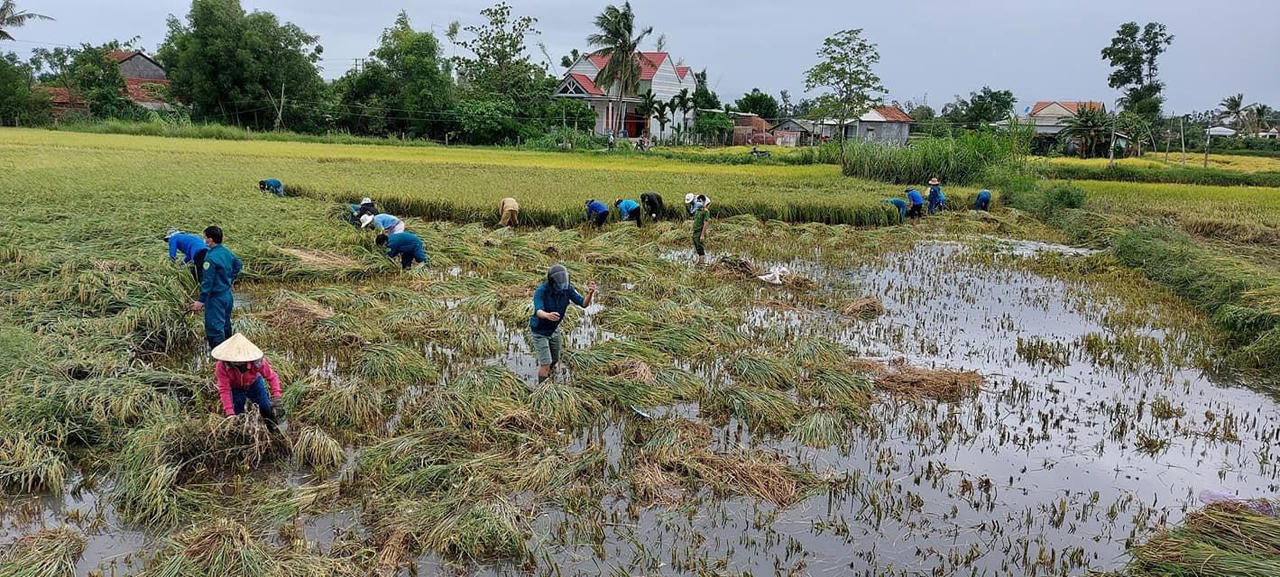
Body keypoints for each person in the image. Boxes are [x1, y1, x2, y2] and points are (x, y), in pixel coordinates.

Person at [530, 264, 597, 384]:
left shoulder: (566, 289)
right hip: (540, 332)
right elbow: (538, 311)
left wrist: (590, 294)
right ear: (552, 282)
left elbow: (583, 304)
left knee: (554, 359)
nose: (561, 287)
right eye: (558, 284)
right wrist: (547, 315)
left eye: (563, 283)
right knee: (546, 363)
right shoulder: (541, 291)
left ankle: (550, 379)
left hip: (554, 330)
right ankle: (542, 391)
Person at [211, 333, 282, 428]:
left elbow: (272, 377)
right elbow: (224, 389)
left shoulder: (257, 362)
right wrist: (229, 412)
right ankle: (242, 432)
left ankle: (273, 429)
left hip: (254, 384)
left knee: (265, 407)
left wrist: (277, 396)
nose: (238, 361)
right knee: (238, 414)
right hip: (235, 388)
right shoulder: (222, 366)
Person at [189, 226, 242, 349]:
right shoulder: (226, 251)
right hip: (227, 295)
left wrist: (200, 301)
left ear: (210, 240)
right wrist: (229, 278)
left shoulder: (210, 257)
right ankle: (230, 354)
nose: (204, 239)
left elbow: (207, 281)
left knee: (214, 328)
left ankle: (220, 359)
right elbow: (238, 264)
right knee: (225, 324)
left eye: (205, 237)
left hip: (215, 298)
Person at [691, 195, 710, 266]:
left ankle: (702, 263)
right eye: (698, 201)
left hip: (700, 232)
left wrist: (702, 235)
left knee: (700, 248)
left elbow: (706, 223)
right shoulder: (697, 210)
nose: (698, 202)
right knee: (696, 247)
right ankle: (700, 262)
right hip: (695, 232)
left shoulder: (706, 212)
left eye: (700, 201)